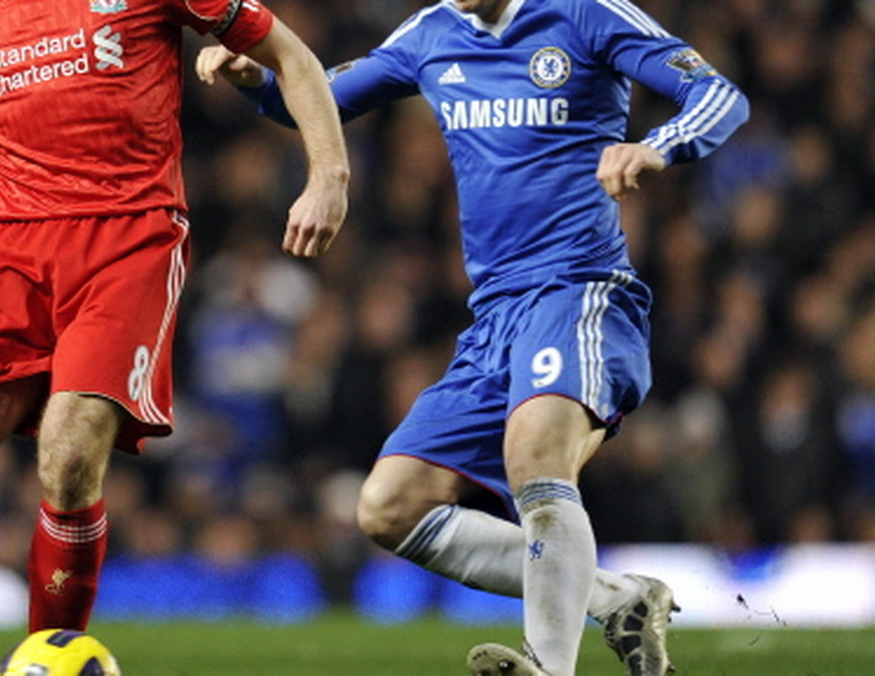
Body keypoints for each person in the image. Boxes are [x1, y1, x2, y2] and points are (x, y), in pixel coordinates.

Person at [0, 0, 348, 674]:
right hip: (11, 243)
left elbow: (291, 53)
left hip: (128, 234)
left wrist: (329, 175)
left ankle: (48, 656)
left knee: (72, 448)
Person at [198, 0, 747, 674]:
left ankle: (547, 667)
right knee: (388, 507)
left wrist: (656, 145)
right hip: (494, 320)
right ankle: (618, 599)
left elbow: (717, 94)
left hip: (579, 291)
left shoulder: (584, 13)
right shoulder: (431, 32)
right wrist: (255, 77)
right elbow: (313, 99)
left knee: (535, 456)